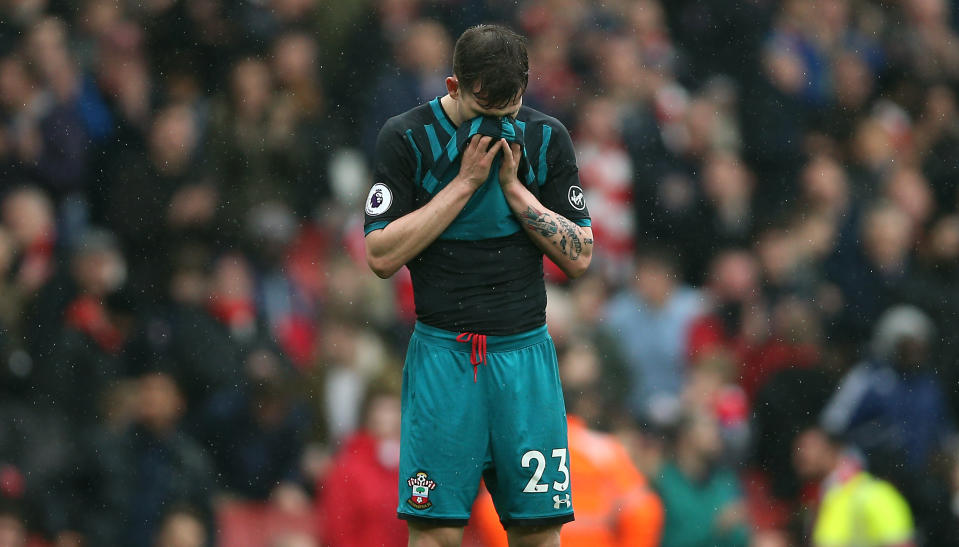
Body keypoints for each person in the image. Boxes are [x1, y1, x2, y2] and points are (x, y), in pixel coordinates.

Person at [363, 24, 593, 547]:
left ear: (524, 89)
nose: (494, 127)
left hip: (524, 361)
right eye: (479, 111)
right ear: (452, 86)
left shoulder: (545, 137)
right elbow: (379, 254)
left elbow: (581, 255)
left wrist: (517, 193)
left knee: (537, 532)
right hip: (445, 358)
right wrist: (464, 183)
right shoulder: (407, 137)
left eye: (506, 111)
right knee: (437, 533)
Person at [793, 427, 914, 547]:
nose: (800, 454)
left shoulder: (874, 494)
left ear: (833, 449)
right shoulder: (827, 496)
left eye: (809, 447)